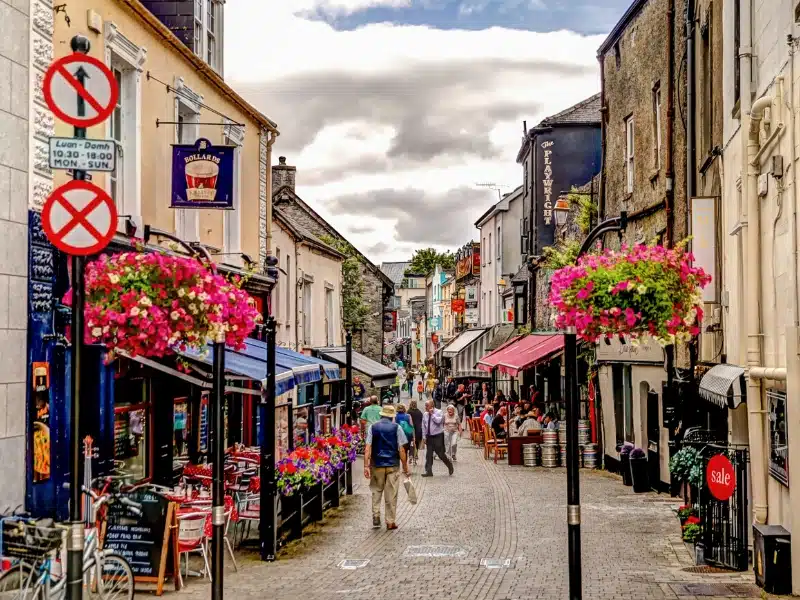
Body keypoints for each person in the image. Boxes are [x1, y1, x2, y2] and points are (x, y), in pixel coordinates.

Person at [363, 404, 410, 530]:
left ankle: (376, 516)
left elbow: (368, 448)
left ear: (381, 415)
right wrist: (405, 466)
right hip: (392, 464)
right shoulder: (397, 428)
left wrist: (366, 466)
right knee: (391, 493)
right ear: (392, 417)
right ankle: (390, 521)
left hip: (377, 464)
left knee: (376, 491)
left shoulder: (373, 427)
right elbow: (401, 449)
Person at [421, 400, 454, 477]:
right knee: (429, 454)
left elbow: (439, 421)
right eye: (425, 405)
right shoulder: (425, 414)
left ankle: (449, 465)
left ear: (432, 406)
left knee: (440, 454)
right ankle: (429, 471)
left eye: (427, 406)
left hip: (438, 436)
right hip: (429, 437)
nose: (425, 407)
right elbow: (423, 426)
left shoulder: (439, 412)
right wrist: (424, 437)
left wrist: (432, 414)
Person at [408, 399, 424, 465]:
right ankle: (415, 458)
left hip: (410, 430)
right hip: (418, 430)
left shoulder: (408, 412)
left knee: (411, 443)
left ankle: (411, 455)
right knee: (416, 444)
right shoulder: (419, 412)